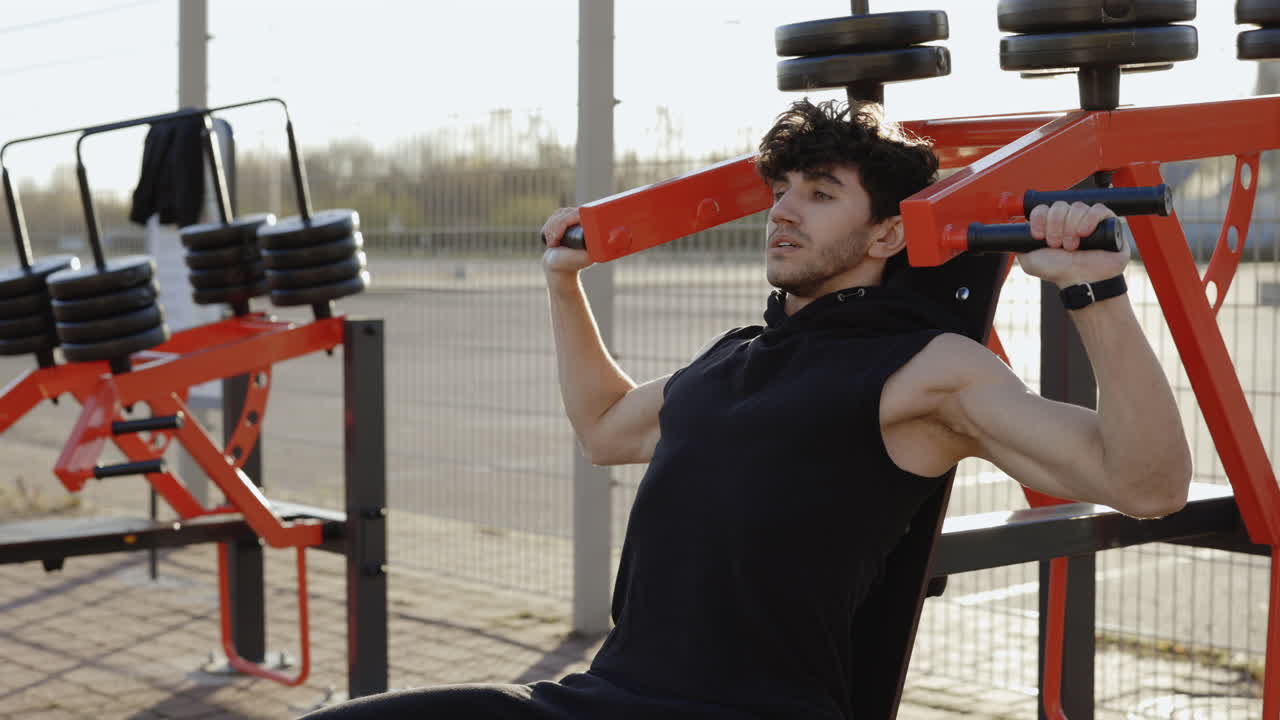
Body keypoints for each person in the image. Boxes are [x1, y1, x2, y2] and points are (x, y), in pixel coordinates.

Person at [303, 99, 1192, 719]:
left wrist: (1095, 291)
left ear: (888, 234)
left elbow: (1145, 483)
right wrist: (562, 284)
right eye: (781, 191)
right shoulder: (738, 354)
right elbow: (606, 428)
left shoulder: (928, 370)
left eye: (819, 193)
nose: (782, 212)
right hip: (595, 697)